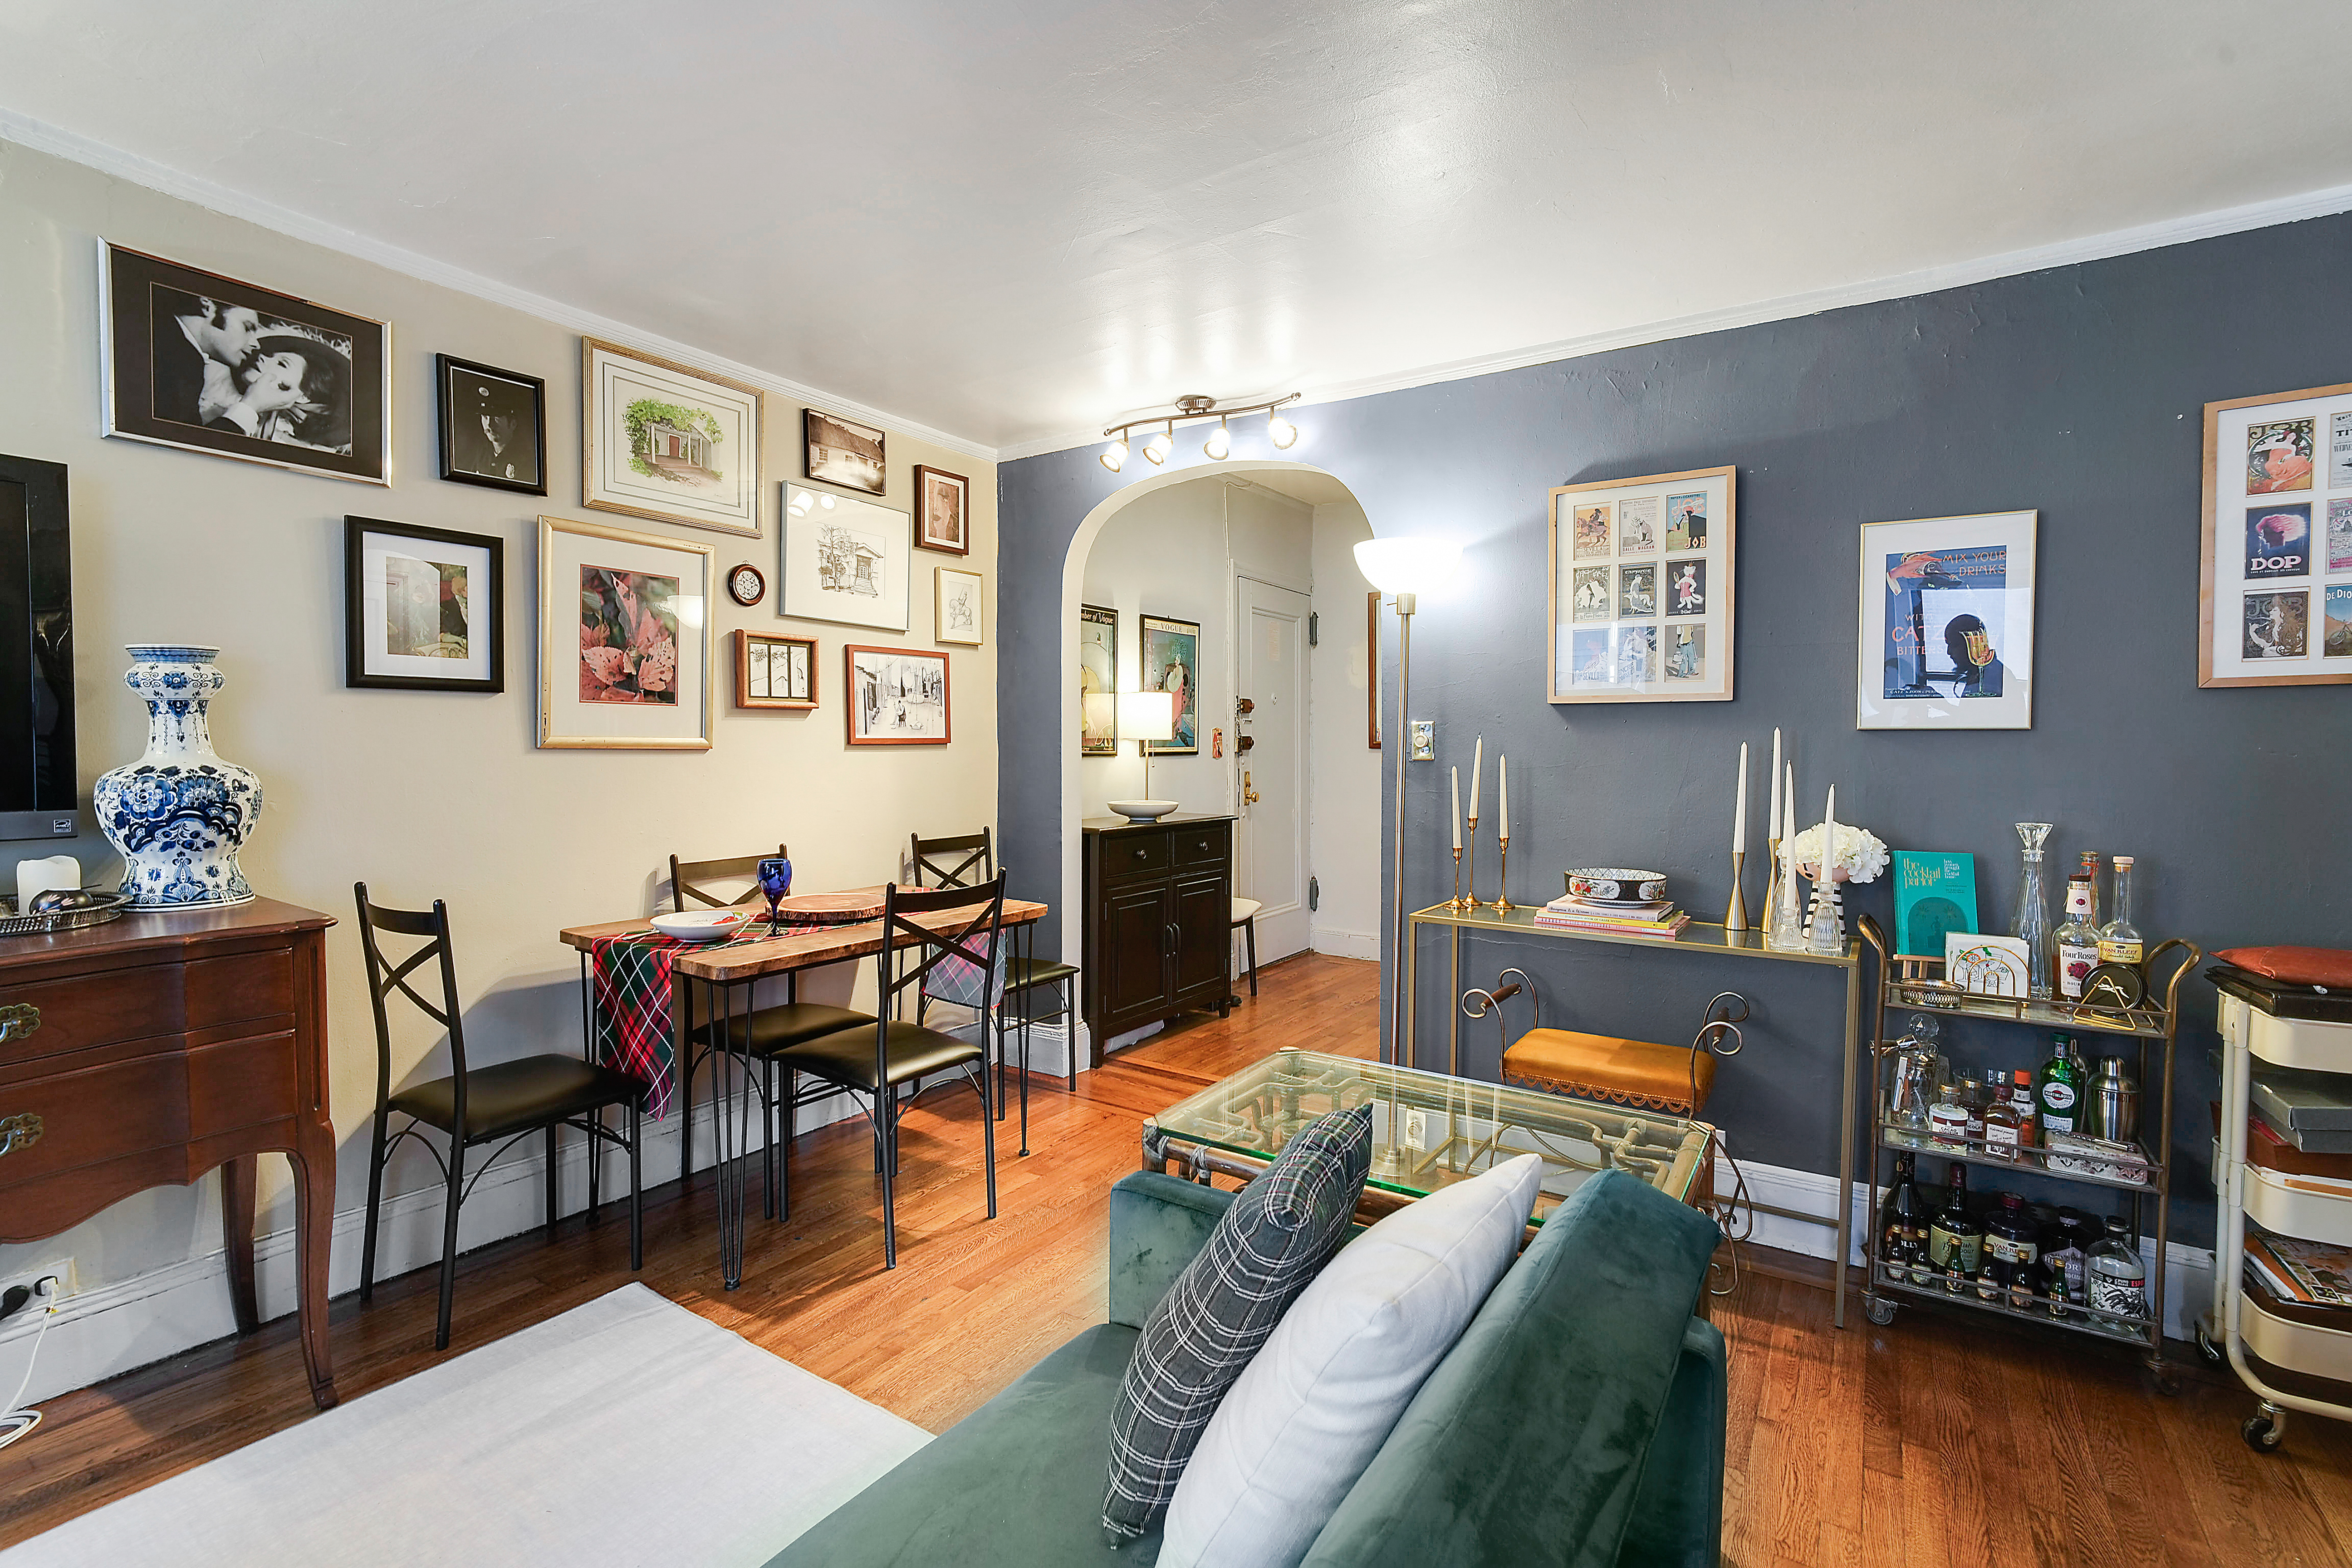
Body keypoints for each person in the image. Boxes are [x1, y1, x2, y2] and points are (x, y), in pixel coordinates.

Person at [152, 290, 265, 430]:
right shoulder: (170, 358)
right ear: (207, 307)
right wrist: (250, 406)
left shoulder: (177, 349)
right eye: (247, 328)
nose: (256, 344)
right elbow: (183, 444)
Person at [451, 377, 532, 482]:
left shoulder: (526, 459)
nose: (489, 425)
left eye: (496, 418)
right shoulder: (480, 455)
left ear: (513, 424)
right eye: (485, 417)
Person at [1942, 614, 2003, 696]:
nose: (1948, 652)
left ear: (1972, 644)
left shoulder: (1990, 682)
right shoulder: (1984, 673)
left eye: (1954, 645)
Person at [2249, 431, 2313, 494]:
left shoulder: (2293, 447)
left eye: (2293, 436)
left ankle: (2279, 482)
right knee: (2302, 460)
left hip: (2284, 464)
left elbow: (2293, 458)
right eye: (2290, 435)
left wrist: (2289, 456)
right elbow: (2259, 448)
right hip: (2273, 465)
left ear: (2296, 438)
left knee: (2304, 465)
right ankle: (2279, 481)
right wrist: (2269, 443)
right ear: (2287, 436)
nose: (2291, 437)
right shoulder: (2277, 444)